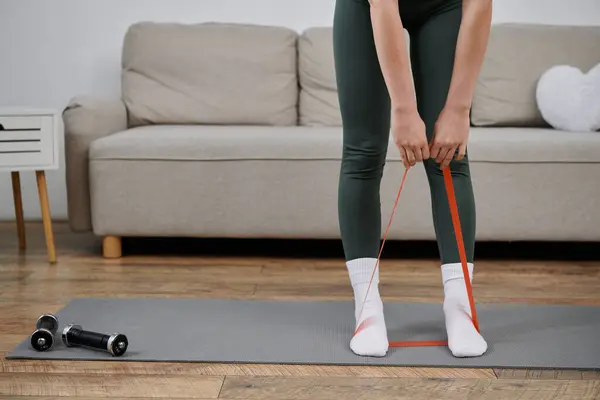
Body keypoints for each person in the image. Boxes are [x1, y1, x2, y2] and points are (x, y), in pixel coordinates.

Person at [333, 0, 493, 358]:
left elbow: (480, 5)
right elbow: (384, 6)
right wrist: (404, 111)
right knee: (363, 151)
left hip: (444, 5)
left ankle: (460, 306)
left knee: (449, 156)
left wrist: (458, 109)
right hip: (368, 6)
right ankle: (368, 308)